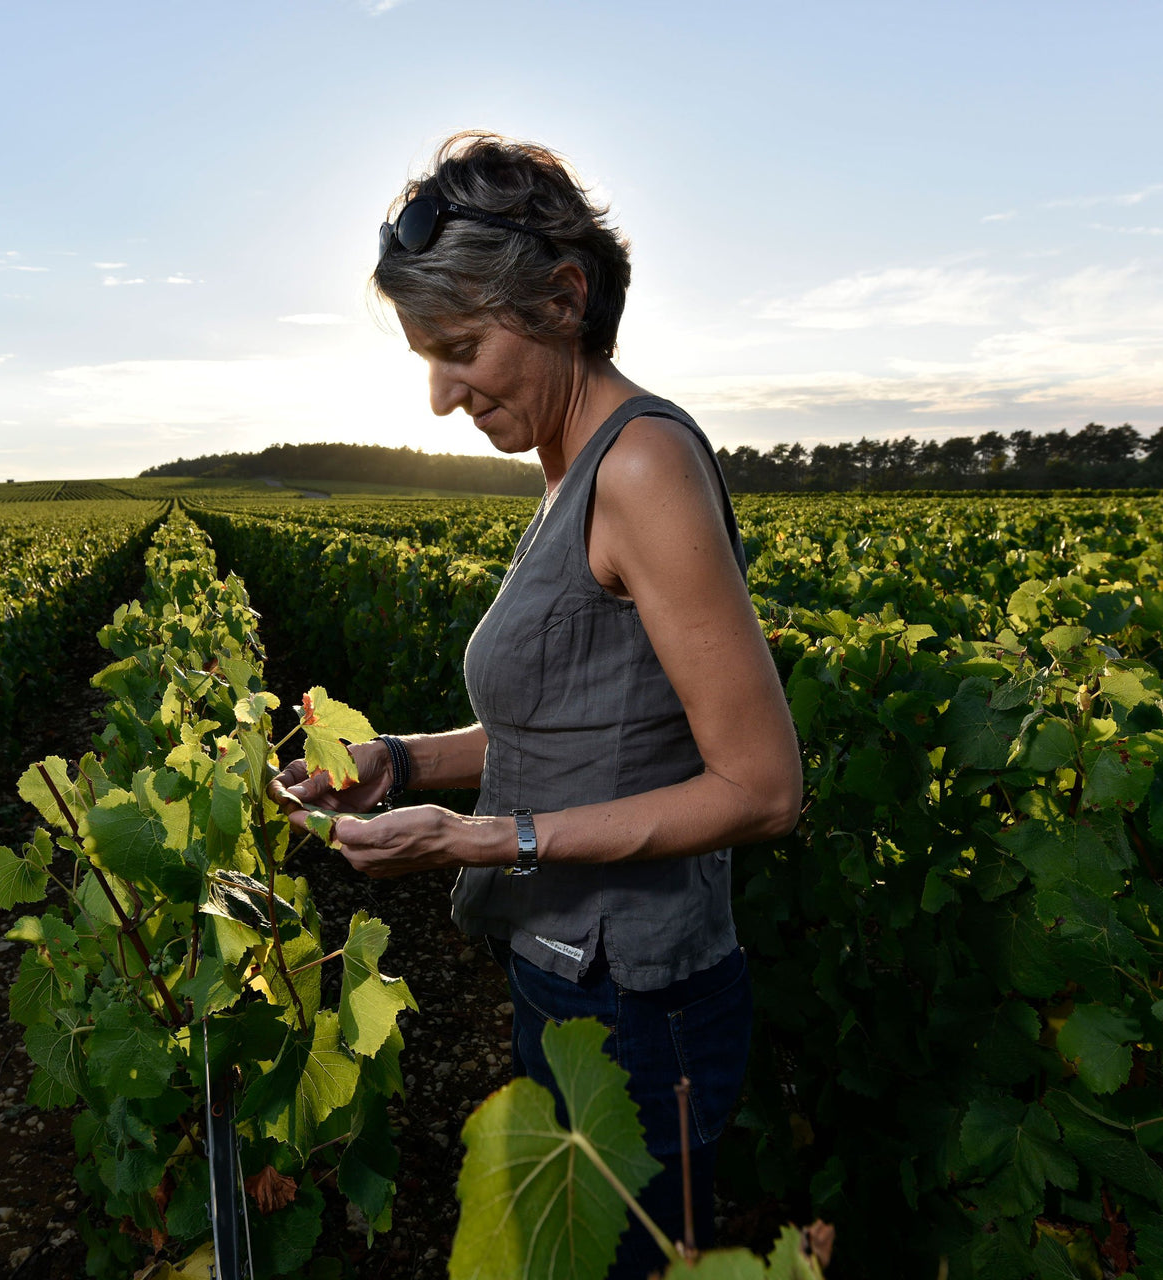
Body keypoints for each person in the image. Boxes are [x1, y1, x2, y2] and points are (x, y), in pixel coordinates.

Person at [270, 131, 802, 1275]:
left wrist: (491, 836)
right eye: (426, 356)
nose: (438, 396)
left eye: (460, 349)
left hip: (639, 997)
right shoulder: (568, 464)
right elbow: (572, 727)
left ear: (564, 298)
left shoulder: (639, 463)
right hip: (566, 969)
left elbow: (761, 788)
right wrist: (399, 762)